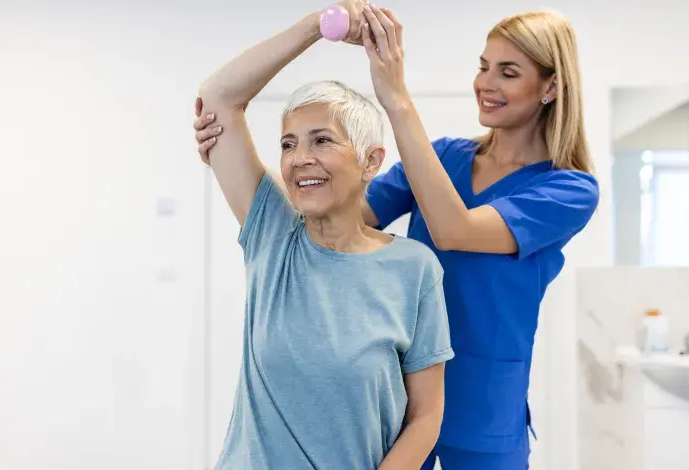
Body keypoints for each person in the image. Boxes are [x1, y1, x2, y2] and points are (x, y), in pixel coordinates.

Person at [196, 5, 599, 469]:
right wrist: (243, 169)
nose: (486, 84)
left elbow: (454, 230)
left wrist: (395, 95)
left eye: (507, 72)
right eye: (483, 66)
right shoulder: (445, 156)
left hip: (482, 408)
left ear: (551, 86)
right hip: (394, 399)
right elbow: (341, 216)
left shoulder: (567, 189)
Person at [194, 1, 455, 469]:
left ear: (371, 161)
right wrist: (319, 26)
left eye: (322, 140)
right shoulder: (273, 236)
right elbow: (217, 98)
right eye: (289, 144)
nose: (299, 159)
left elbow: (427, 414)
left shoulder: (414, 269)